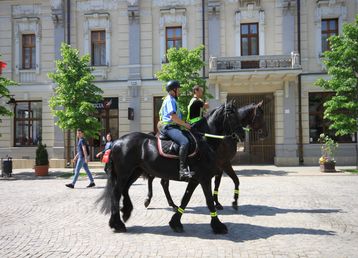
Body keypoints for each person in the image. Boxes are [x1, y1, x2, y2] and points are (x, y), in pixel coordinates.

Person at [159, 80, 194, 179]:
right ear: (173, 90)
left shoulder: (173, 99)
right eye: (178, 89)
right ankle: (182, 170)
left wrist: (185, 123)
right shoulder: (170, 100)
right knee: (184, 142)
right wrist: (185, 125)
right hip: (169, 127)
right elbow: (173, 118)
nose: (180, 91)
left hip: (173, 126)